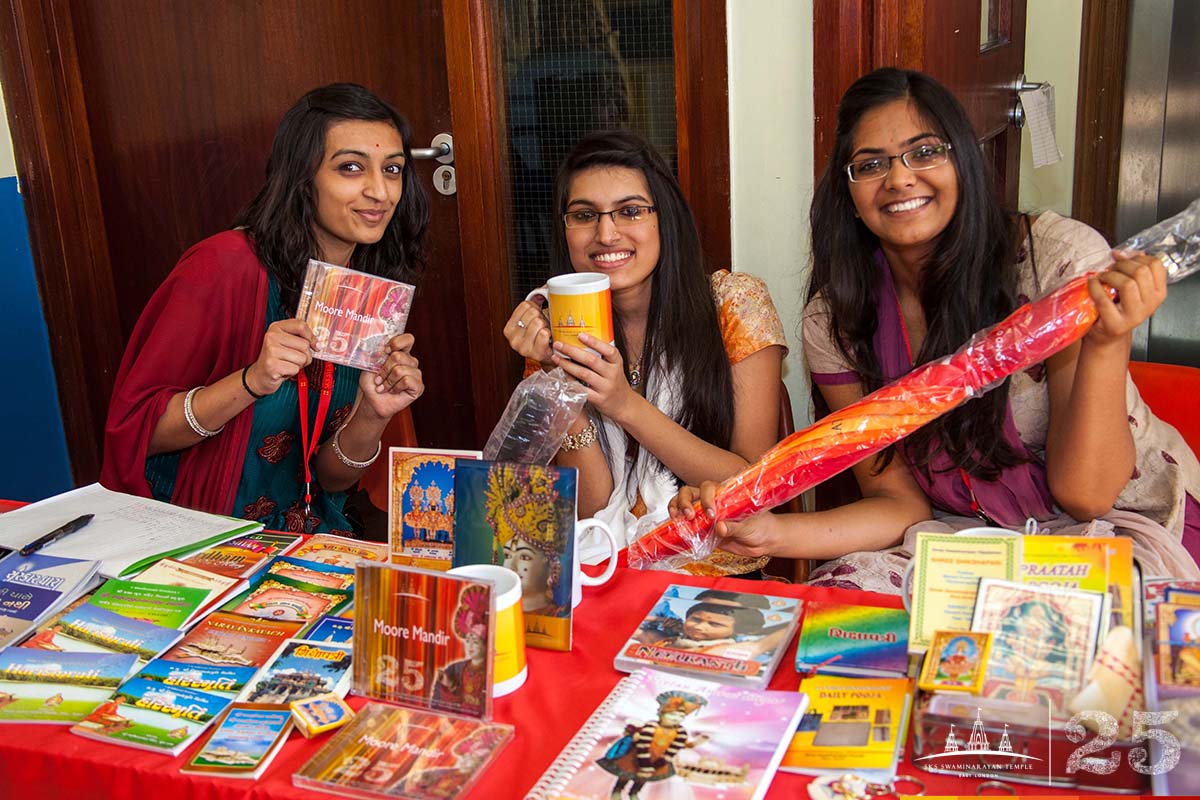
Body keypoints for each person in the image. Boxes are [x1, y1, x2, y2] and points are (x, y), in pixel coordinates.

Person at [670, 68, 1200, 591]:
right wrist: (769, 532)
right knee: (842, 609)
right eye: (870, 164)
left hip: (1115, 529)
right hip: (961, 539)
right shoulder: (835, 322)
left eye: (925, 152)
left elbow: (1086, 495)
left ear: (963, 160)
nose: (899, 178)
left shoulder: (1055, 265)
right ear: (848, 194)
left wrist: (1107, 343)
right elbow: (899, 503)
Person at [101, 84, 429, 534]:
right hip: (197, 531)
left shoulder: (369, 294)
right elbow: (139, 433)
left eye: (392, 170)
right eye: (351, 168)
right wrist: (252, 380)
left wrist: (374, 413)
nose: (380, 191)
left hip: (301, 537)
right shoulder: (224, 266)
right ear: (302, 176)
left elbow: (329, 480)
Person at [503, 130, 787, 573]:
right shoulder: (553, 327)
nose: (606, 233)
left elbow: (750, 486)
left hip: (715, 568)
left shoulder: (734, 304)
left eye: (630, 211)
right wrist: (559, 379)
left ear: (664, 218)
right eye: (584, 215)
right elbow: (591, 512)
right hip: (605, 571)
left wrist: (622, 404)